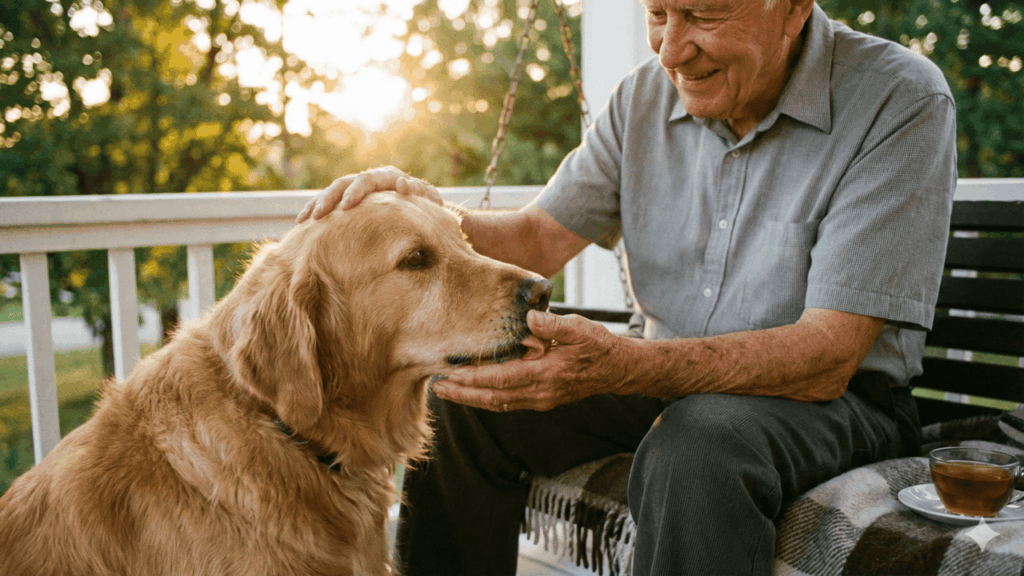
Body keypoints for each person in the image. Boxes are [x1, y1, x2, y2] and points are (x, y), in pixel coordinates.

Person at [297, 0, 957, 573]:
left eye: (702, 14)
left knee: (698, 442)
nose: (673, 49)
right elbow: (535, 238)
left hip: (833, 401)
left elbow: (829, 355)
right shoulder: (642, 98)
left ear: (792, 8)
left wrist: (627, 366)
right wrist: (419, 213)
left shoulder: (898, 98)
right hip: (665, 378)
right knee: (469, 395)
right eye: (657, 14)